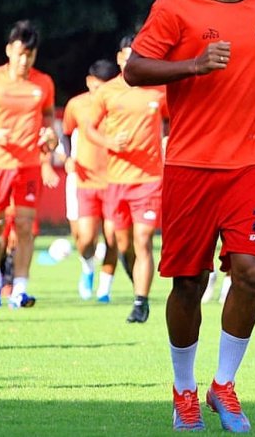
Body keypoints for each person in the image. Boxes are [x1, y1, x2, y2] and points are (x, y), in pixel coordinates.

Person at [123, 0, 255, 431]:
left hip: (246, 165)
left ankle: (224, 384)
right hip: (190, 168)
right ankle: (182, 389)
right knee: (189, 283)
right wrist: (191, 65)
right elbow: (133, 69)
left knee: (249, 272)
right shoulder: (175, 8)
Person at [0, 19, 59, 309]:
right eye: (19, 53)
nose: (24, 60)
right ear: (9, 50)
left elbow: (48, 117)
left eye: (30, 55)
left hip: (28, 166)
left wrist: (50, 136)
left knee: (25, 225)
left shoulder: (43, 83)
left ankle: (19, 289)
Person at [86, 37, 169, 323]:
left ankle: (140, 301)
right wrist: (109, 141)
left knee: (143, 238)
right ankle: (137, 285)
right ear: (120, 59)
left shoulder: (159, 91)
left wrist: (171, 142)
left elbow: (179, 119)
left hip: (149, 180)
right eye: (128, 56)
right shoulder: (108, 92)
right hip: (116, 180)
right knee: (121, 243)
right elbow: (89, 128)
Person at [62, 59, 121, 302]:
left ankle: (104, 289)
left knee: (112, 238)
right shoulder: (76, 105)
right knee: (85, 239)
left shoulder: (119, 104)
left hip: (115, 181)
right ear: (89, 83)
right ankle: (87, 270)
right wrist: (67, 158)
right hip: (85, 182)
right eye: (97, 88)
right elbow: (65, 134)